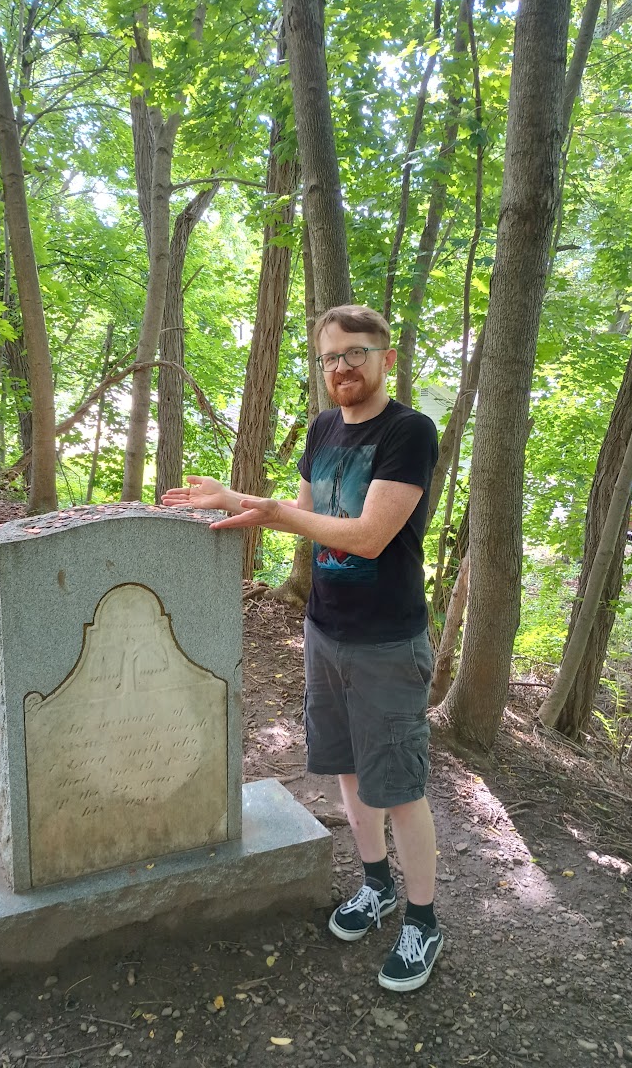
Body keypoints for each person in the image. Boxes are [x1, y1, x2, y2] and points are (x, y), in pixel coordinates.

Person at [161, 304, 441, 992]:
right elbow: (312, 521)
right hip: (324, 629)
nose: (341, 367)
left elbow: (369, 535)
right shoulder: (320, 428)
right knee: (346, 769)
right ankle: (374, 884)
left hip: (386, 640)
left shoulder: (409, 431)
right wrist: (244, 505)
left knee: (398, 786)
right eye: (329, 357)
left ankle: (423, 920)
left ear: (386, 358)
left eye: (355, 353)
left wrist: (274, 510)